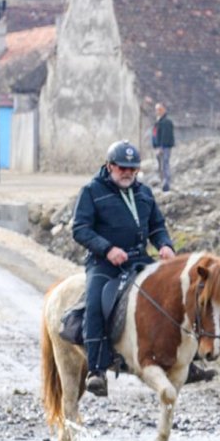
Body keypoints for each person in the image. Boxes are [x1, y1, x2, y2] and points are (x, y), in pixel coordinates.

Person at [71, 140, 177, 397]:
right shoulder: (91, 191)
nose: (128, 172)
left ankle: (182, 358)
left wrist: (164, 245)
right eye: (122, 168)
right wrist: (107, 249)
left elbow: (157, 227)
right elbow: (80, 229)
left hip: (139, 259)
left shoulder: (144, 193)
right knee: (96, 303)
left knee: (173, 295)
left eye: (133, 168)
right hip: (104, 263)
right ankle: (96, 370)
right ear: (109, 166)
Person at [151, 102, 174, 193]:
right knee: (160, 165)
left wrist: (161, 147)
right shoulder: (159, 121)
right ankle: (162, 183)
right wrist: (155, 146)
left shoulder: (166, 122)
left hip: (164, 147)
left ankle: (166, 184)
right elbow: (155, 134)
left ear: (164, 110)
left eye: (159, 110)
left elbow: (165, 136)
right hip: (159, 147)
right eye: (156, 110)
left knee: (165, 164)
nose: (157, 112)